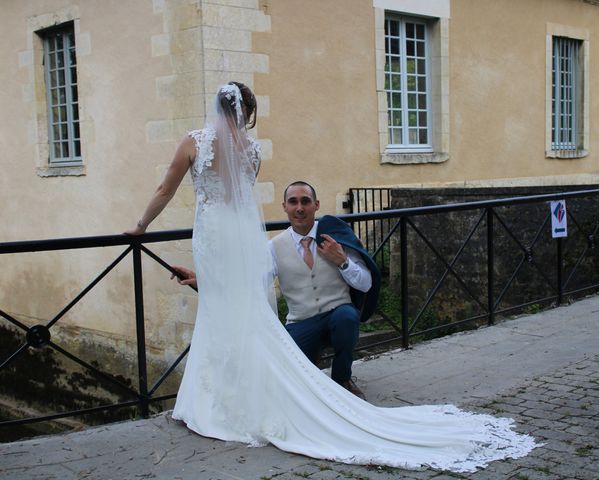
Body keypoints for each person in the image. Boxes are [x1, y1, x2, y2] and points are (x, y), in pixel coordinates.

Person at [126, 81, 537, 472]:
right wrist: (203, 276)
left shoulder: (195, 142)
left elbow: (166, 188)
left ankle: (219, 403)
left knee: (222, 313)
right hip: (240, 240)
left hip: (212, 236)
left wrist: (141, 226)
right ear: (246, 112)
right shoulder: (251, 151)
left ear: (217, 107)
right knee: (243, 311)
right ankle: (233, 398)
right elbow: (240, 203)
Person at [172, 181, 381, 400]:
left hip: (337, 313)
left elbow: (366, 283)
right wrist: (203, 281)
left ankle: (342, 379)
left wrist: (343, 261)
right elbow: (249, 283)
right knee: (293, 389)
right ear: (285, 206)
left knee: (347, 316)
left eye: (305, 201)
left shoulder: (335, 238)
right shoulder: (274, 247)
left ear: (316, 205)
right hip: (302, 322)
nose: (299, 208)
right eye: (293, 202)